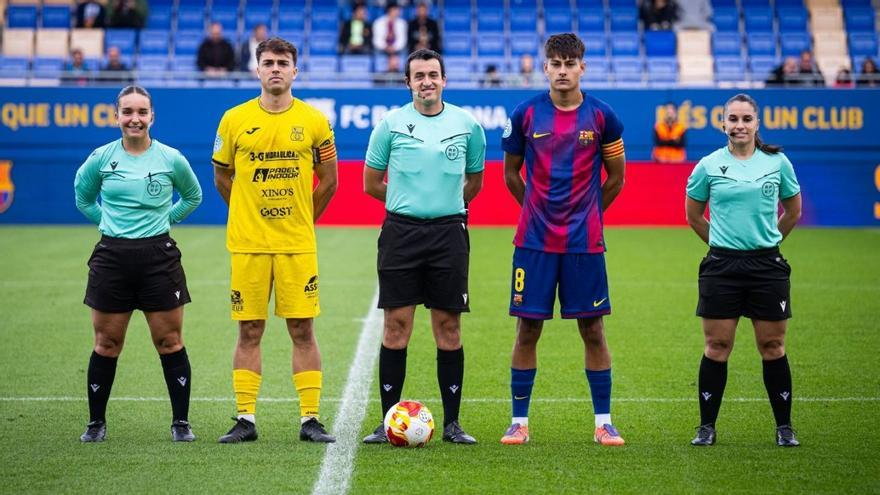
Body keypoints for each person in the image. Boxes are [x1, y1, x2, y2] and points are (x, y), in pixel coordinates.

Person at [499, 33, 627, 447]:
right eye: (555, 63)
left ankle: (603, 422)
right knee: (528, 330)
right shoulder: (525, 114)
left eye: (570, 64)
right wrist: (535, 211)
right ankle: (519, 422)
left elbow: (617, 179)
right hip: (534, 242)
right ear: (545, 67)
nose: (562, 71)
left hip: (583, 244)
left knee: (593, 330)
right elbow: (511, 174)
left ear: (582, 68)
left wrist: (587, 214)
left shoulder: (604, 117)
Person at [212, 37, 338, 444]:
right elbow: (221, 177)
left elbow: (330, 181)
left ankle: (310, 419)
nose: (276, 69)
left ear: (295, 71)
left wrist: (303, 219)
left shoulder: (315, 121)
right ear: (258, 69)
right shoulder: (233, 119)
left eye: (283, 62)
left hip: (296, 244)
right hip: (248, 245)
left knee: (303, 329)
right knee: (249, 330)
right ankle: (245, 418)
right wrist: (248, 213)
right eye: (268, 62)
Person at [361, 48, 486, 445]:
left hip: (449, 234)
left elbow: (475, 182)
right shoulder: (390, 125)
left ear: (444, 80)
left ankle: (452, 424)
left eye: (434, 74)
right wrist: (409, 206)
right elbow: (371, 182)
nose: (427, 81)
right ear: (408, 83)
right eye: (419, 76)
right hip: (401, 234)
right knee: (397, 326)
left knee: (448, 326)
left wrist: (442, 207)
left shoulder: (467, 125)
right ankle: (386, 421)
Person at [74, 85, 203, 443]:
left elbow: (193, 196)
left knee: (170, 341)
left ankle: (180, 423)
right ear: (116, 116)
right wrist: (107, 225)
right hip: (112, 258)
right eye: (127, 112)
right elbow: (83, 197)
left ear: (152, 117)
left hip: (158, 257)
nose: (135, 119)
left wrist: (166, 221)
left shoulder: (170, 158)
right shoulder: (101, 157)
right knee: (106, 343)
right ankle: (96, 423)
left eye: (141, 112)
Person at [685, 93, 802, 447]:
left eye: (746, 119)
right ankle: (706, 427)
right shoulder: (708, 165)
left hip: (767, 266)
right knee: (717, 346)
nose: (739, 125)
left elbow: (793, 211)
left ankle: (784, 428)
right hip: (722, 266)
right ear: (723, 124)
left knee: (773, 345)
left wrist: (765, 242)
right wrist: (722, 244)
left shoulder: (777, 162)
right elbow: (693, 215)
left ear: (757, 123)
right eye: (733, 119)